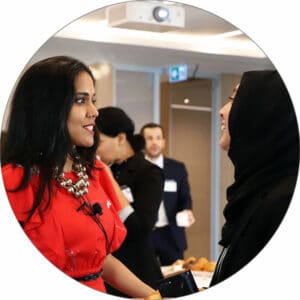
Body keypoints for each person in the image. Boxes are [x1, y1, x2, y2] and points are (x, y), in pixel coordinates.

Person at [0, 56, 162, 299]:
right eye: (80, 100)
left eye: (93, 100)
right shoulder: (15, 181)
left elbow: (97, 262)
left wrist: (153, 296)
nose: (94, 112)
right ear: (48, 108)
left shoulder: (91, 172)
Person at [209, 70, 299, 286]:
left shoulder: (283, 200)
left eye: (234, 99)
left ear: (264, 113)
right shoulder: (256, 191)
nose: (222, 111)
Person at [95, 107, 164, 296]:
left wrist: (108, 180)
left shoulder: (148, 172)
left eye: (99, 142)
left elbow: (141, 227)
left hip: (137, 270)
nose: (95, 149)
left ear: (121, 138)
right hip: (106, 270)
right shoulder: (103, 171)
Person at [140, 123, 195, 266]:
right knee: (145, 280)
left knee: (177, 280)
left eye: (158, 138)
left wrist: (187, 210)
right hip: (143, 235)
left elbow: (185, 197)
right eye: (150, 138)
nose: (154, 142)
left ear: (163, 142)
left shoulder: (177, 168)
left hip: (171, 235)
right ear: (142, 142)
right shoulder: (134, 168)